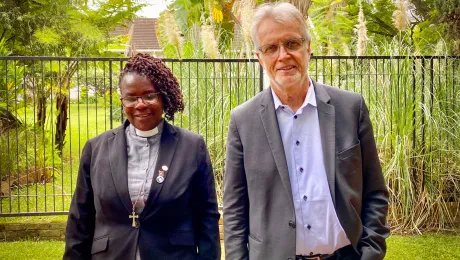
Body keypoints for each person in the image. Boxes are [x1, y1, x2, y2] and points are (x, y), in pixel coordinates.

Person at [223, 3, 389, 260]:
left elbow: (375, 192)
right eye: (271, 48)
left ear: (308, 48)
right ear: (259, 57)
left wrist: (371, 252)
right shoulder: (243, 121)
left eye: (292, 43)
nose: (283, 56)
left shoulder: (350, 108)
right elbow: (235, 210)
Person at [64, 53, 220, 260]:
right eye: (131, 98)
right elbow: (80, 218)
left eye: (149, 95)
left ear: (164, 96)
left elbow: (206, 217)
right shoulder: (96, 149)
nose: (140, 105)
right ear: (122, 101)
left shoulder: (192, 147)